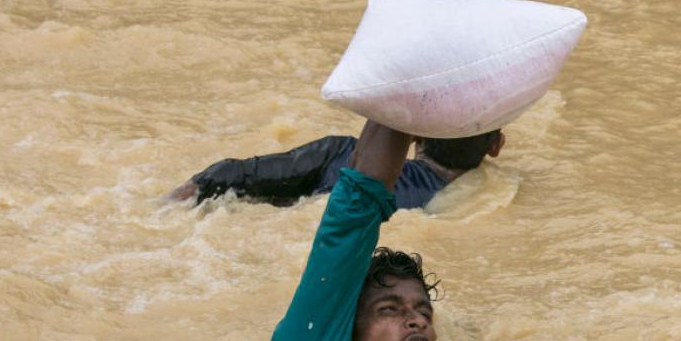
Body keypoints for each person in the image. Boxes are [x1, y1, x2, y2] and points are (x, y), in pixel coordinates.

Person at [243, 119, 448, 341]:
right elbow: (352, 214)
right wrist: (404, 107)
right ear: (346, 332)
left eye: (424, 314)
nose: (418, 321)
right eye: (389, 308)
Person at [165, 129, 505, 208]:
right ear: (497, 146)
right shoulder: (475, 204)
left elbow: (234, 173)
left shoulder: (342, 153)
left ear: (414, 132)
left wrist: (161, 207)